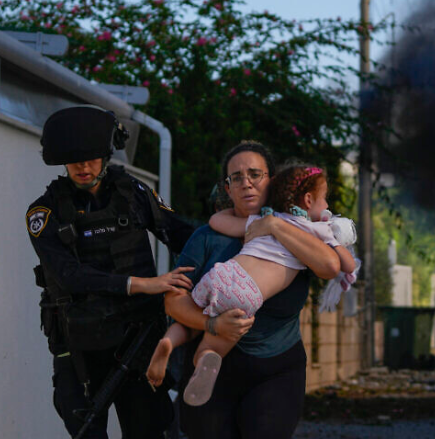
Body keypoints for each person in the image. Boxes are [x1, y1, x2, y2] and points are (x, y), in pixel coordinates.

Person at [27, 106, 196, 439]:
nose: (83, 168)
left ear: (107, 155)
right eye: (74, 161)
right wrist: (142, 284)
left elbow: (181, 233)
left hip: (138, 345)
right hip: (79, 351)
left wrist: (242, 236)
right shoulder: (44, 212)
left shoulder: (134, 193)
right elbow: (70, 275)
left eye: (90, 158)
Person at [164, 141, 340, 439]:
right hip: (213, 373)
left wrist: (274, 225)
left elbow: (329, 266)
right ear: (226, 188)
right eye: (236, 177)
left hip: (276, 372)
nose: (246, 183)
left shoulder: (296, 229)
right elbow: (174, 300)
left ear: (270, 180)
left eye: (255, 174)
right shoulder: (207, 237)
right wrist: (212, 326)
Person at [146, 165, 357, 406]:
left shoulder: (266, 219)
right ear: (309, 200)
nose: (327, 206)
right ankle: (207, 358)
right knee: (216, 342)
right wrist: (339, 244)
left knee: (191, 318)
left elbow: (218, 221)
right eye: (325, 199)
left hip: (223, 274)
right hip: (248, 294)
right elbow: (347, 266)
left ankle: (168, 342)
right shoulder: (319, 231)